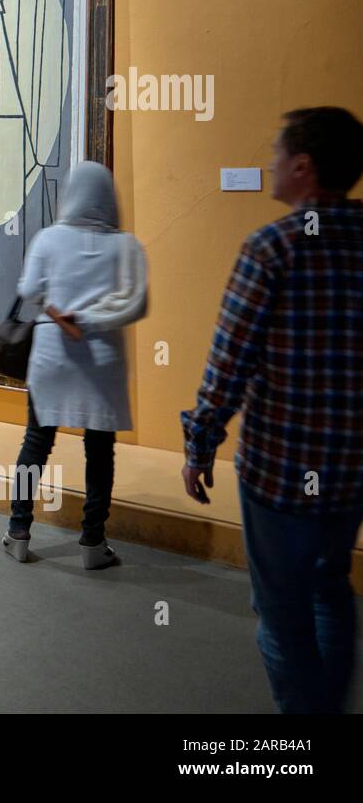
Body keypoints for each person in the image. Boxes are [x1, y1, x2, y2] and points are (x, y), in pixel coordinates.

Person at [182, 106, 363, 715]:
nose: (269, 165)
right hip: (351, 473)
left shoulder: (272, 248)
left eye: (277, 155)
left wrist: (201, 443)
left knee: (282, 615)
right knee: (331, 591)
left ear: (303, 167)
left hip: (281, 473)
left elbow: (228, 361)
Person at [2, 161, 148, 568]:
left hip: (52, 355)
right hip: (102, 358)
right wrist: (94, 317)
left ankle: (18, 532)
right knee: (99, 452)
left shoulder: (49, 240)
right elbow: (138, 303)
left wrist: (63, 310)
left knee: (36, 444)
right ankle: (92, 543)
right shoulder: (128, 246)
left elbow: (29, 290)